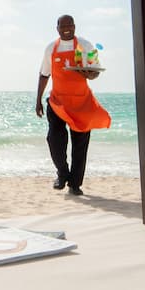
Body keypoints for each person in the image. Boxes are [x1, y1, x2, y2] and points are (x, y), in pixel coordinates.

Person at [35, 14, 111, 195]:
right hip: (58, 101)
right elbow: (44, 74)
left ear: (75, 26)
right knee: (54, 140)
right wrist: (38, 100)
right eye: (63, 25)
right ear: (57, 28)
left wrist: (88, 74)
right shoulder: (50, 49)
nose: (67, 28)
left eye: (70, 25)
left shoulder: (85, 46)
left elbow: (95, 72)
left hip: (81, 102)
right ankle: (62, 173)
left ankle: (75, 184)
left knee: (80, 144)